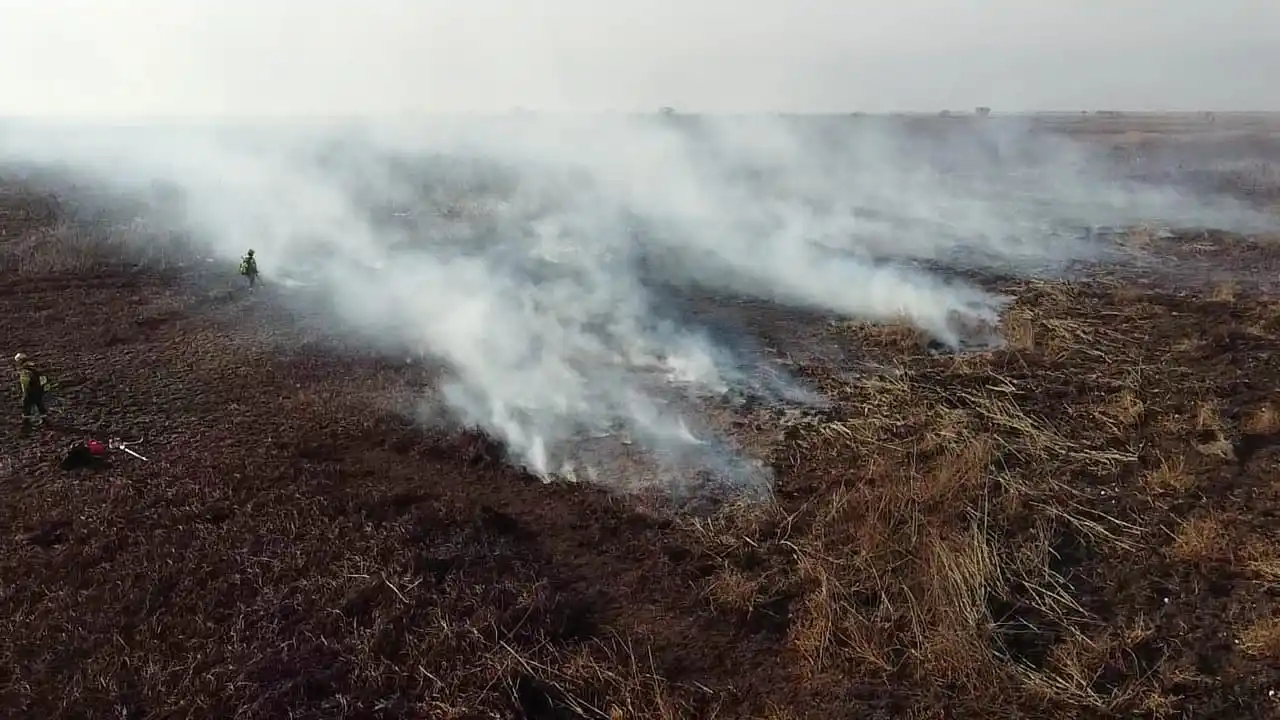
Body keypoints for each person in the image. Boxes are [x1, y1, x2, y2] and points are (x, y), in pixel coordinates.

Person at [15, 352, 51, 427]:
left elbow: (25, 382)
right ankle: (44, 420)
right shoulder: (34, 367)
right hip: (39, 389)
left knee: (26, 404)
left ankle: (26, 422)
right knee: (39, 403)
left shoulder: (24, 370)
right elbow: (43, 377)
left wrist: (24, 391)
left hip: (30, 390)